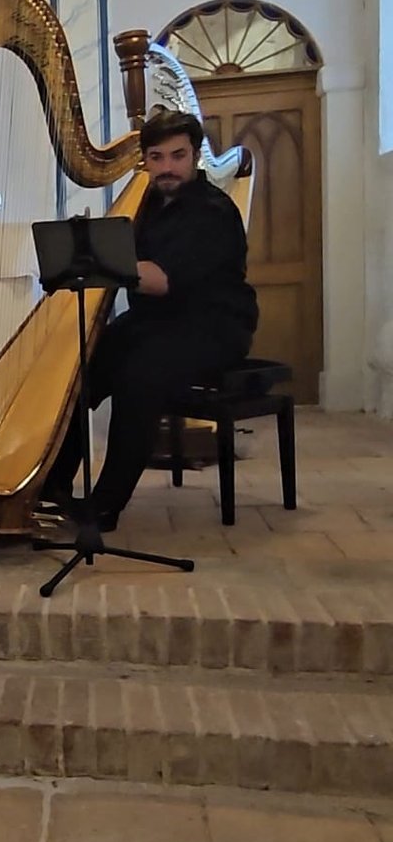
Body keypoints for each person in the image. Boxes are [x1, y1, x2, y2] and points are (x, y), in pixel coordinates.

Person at [43, 109, 258, 530]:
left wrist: (90, 258)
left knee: (138, 377)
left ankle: (105, 506)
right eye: (156, 158)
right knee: (79, 368)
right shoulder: (149, 206)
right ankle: (52, 483)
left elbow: (160, 281)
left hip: (213, 326)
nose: (167, 168)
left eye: (177, 156)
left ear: (195, 157)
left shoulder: (212, 212)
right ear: (145, 161)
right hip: (156, 324)